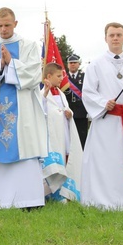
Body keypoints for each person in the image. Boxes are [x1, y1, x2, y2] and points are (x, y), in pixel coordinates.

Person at [0, 7, 47, 209]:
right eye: (0, 26)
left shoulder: (29, 46)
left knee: (25, 144)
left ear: (15, 24)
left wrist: (11, 63)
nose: (3, 29)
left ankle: (28, 200)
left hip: (23, 109)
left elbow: (34, 74)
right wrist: (0, 67)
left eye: (7, 25)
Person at [82, 22, 123, 212]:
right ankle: (103, 202)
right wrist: (103, 103)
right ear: (106, 39)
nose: (115, 38)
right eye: (112, 35)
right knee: (106, 162)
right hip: (107, 122)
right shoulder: (96, 64)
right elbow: (88, 92)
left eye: (119, 35)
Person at [41, 62, 83, 201]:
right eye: (58, 76)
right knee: (55, 165)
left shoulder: (61, 93)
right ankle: (51, 194)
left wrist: (69, 113)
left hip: (64, 133)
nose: (61, 79)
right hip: (53, 138)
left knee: (66, 161)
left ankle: (65, 192)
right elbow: (41, 112)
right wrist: (45, 95)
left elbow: (66, 108)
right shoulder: (42, 94)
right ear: (49, 76)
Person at [64, 54, 88, 148]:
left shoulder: (84, 77)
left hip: (82, 112)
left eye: (75, 63)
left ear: (78, 64)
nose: (73, 64)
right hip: (68, 110)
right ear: (67, 65)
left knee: (82, 136)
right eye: (70, 63)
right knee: (68, 136)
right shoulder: (63, 77)